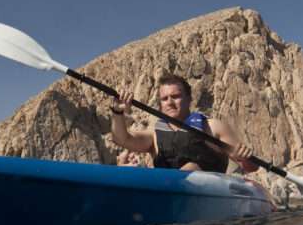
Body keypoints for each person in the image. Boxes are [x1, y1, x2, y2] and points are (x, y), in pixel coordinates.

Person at [109, 74, 258, 173]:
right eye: (165, 99)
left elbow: (251, 167)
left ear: (189, 98)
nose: (170, 103)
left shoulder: (213, 127)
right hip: (168, 193)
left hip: (208, 193)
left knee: (192, 167)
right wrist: (117, 112)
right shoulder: (154, 135)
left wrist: (244, 158)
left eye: (176, 96)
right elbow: (122, 139)